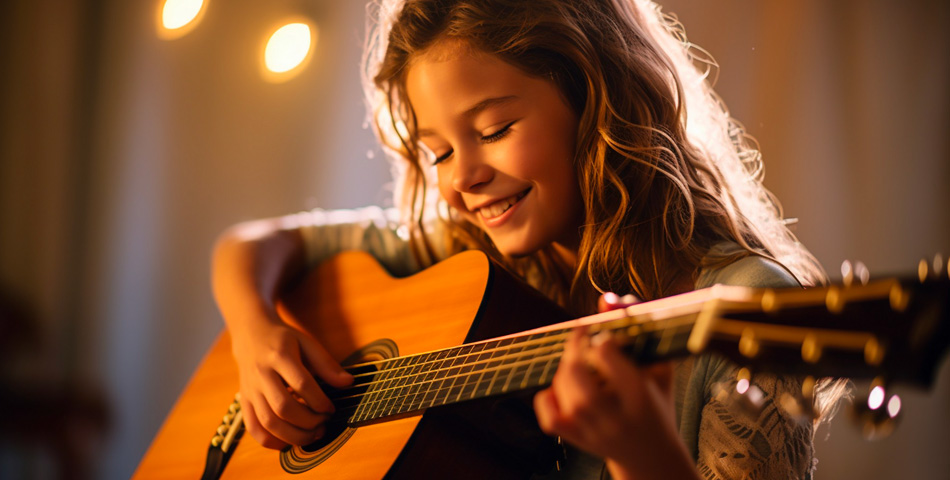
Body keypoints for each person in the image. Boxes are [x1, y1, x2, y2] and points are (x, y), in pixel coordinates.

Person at [211, 0, 846, 478]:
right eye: (436, 152)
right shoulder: (467, 263)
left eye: (493, 129)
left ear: (596, 97)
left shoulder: (748, 301)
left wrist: (643, 453)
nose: (461, 176)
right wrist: (254, 333)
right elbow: (252, 242)